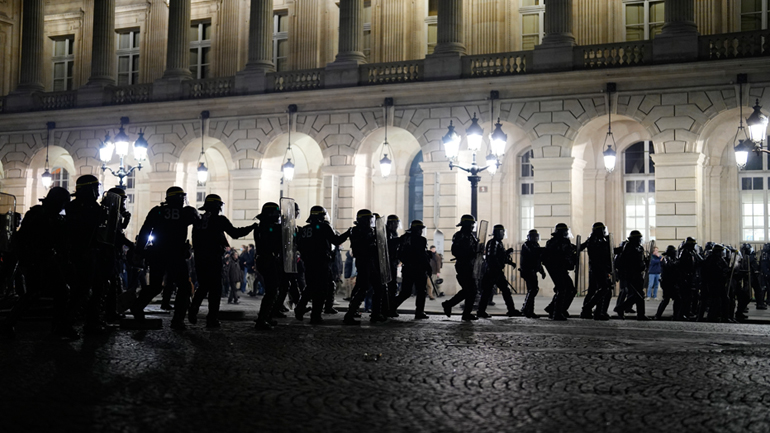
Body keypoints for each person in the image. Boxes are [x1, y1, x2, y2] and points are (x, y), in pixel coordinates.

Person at [1, 187, 73, 339]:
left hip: (42, 258)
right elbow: (36, 238)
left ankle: (10, 323)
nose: (63, 207)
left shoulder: (44, 214)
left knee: (42, 293)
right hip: (38, 258)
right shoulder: (40, 215)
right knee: (43, 293)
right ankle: (9, 324)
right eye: (63, 203)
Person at [130, 186, 200, 330]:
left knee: (155, 286)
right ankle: (178, 320)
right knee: (184, 287)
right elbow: (199, 225)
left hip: (157, 253)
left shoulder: (157, 211)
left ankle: (138, 306)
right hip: (176, 254)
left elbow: (145, 231)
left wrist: (139, 251)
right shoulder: (186, 212)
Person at [188, 194, 255, 327]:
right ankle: (212, 318)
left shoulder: (199, 221)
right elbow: (235, 233)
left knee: (203, 286)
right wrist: (251, 227)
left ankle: (193, 310)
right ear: (217, 207)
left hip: (200, 258)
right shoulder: (219, 220)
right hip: (213, 257)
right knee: (215, 289)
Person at [66, 175, 111, 335]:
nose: (98, 192)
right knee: (81, 290)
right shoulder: (84, 208)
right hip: (83, 252)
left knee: (98, 287)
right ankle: (67, 323)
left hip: (91, 252)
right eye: (96, 188)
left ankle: (92, 320)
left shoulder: (76, 206)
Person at [295, 205, 350, 324]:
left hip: (309, 263)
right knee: (321, 290)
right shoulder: (324, 227)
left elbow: (299, 245)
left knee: (310, 287)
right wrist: (347, 233)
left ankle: (300, 308)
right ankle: (315, 315)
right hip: (321, 263)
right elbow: (336, 240)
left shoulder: (304, 229)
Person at [343, 209, 388, 324]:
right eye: (368, 219)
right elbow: (362, 245)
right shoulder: (357, 231)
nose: (369, 221)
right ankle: (350, 314)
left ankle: (375, 313)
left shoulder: (367, 230)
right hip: (363, 262)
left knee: (378, 288)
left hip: (370, 262)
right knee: (363, 288)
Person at [441, 214, 481, 321]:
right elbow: (455, 251)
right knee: (470, 290)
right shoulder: (459, 235)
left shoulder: (472, 236)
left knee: (470, 290)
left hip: (471, 265)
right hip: (463, 265)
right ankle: (452, 306)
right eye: (471, 224)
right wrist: (470, 253)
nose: (472, 226)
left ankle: (454, 307)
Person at [477, 224, 521, 318]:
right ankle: (481, 311)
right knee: (487, 292)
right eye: (502, 232)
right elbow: (492, 257)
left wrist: (508, 260)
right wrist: (498, 265)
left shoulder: (498, 243)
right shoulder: (493, 243)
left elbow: (500, 257)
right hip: (492, 271)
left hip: (496, 271)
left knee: (504, 291)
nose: (503, 234)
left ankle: (511, 309)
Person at [390, 220, 432, 320]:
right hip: (419, 269)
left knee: (405, 292)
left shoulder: (404, 238)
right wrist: (428, 266)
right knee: (421, 291)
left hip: (407, 268)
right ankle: (419, 311)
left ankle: (391, 306)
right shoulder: (421, 240)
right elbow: (421, 255)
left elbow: (399, 253)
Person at [254, 202, 283, 330]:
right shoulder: (267, 228)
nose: (277, 217)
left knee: (273, 290)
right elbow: (273, 242)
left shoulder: (263, 227)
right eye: (276, 214)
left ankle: (266, 317)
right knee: (271, 291)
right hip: (267, 260)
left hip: (266, 260)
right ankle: (262, 319)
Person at [542, 223, 577, 321]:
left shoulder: (564, 242)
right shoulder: (554, 242)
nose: (566, 233)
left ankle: (555, 309)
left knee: (571, 290)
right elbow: (558, 256)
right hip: (557, 269)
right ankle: (556, 313)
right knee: (562, 289)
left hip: (561, 269)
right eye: (565, 231)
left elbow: (572, 249)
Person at [579, 222, 613, 321]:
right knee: (603, 289)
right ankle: (589, 308)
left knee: (594, 290)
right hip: (598, 268)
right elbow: (601, 255)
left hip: (600, 268)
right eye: (602, 230)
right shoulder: (594, 241)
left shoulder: (600, 240)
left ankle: (595, 312)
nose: (604, 232)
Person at [613, 230, 649, 321]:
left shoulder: (640, 248)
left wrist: (645, 262)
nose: (640, 240)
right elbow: (625, 262)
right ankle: (621, 307)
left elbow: (641, 260)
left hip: (638, 274)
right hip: (631, 274)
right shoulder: (628, 247)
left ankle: (641, 314)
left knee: (639, 294)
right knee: (638, 294)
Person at [519, 229, 546, 319]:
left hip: (533, 270)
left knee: (532, 290)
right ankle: (526, 309)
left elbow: (538, 260)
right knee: (533, 290)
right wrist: (546, 249)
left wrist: (542, 271)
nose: (535, 238)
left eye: (536, 236)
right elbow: (534, 252)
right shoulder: (527, 245)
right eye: (533, 236)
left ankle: (529, 310)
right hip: (528, 270)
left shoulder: (535, 245)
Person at [654, 246, 680, 320]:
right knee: (666, 299)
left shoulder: (671, 259)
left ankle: (675, 315)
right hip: (667, 282)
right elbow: (669, 266)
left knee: (675, 299)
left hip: (671, 281)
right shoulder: (666, 258)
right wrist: (676, 263)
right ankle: (658, 315)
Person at [385, 214, 401, 316]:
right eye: (396, 223)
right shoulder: (386, 232)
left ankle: (391, 308)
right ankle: (386, 308)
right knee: (387, 287)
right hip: (387, 263)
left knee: (393, 287)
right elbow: (388, 245)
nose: (397, 225)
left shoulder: (394, 233)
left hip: (393, 262)